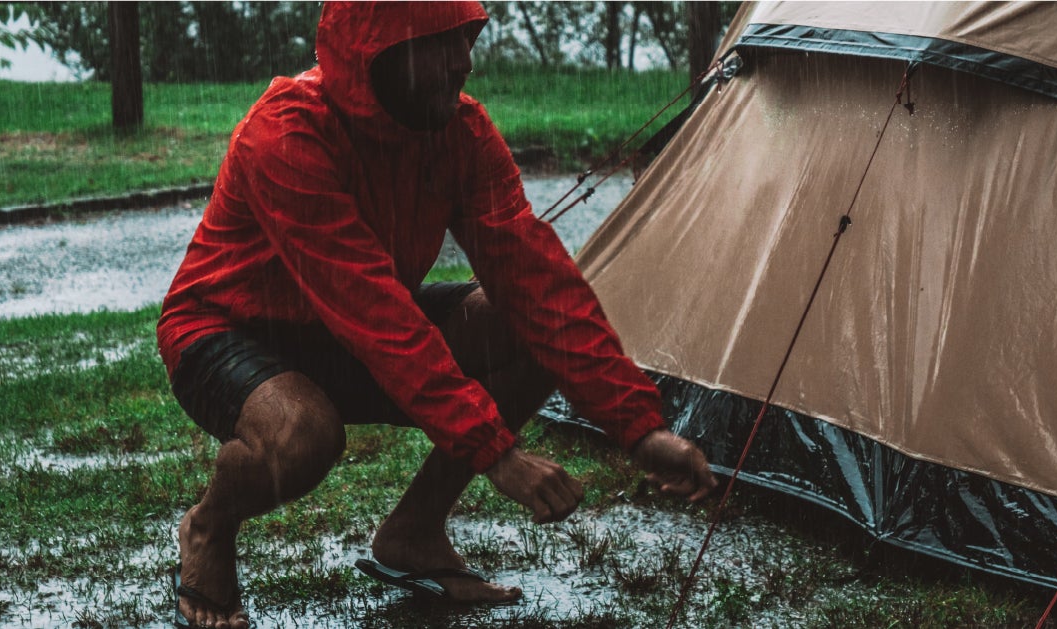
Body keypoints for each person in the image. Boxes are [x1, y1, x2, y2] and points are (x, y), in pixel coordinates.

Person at [157, 2, 717, 628]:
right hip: (226, 328)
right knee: (302, 435)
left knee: (525, 329)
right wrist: (496, 454)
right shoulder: (284, 134)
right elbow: (373, 310)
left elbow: (540, 285)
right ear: (378, 53)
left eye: (465, 42)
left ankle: (413, 533)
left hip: (351, 331)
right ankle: (208, 528)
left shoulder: (461, 131)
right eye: (438, 47)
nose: (462, 66)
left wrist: (639, 427)